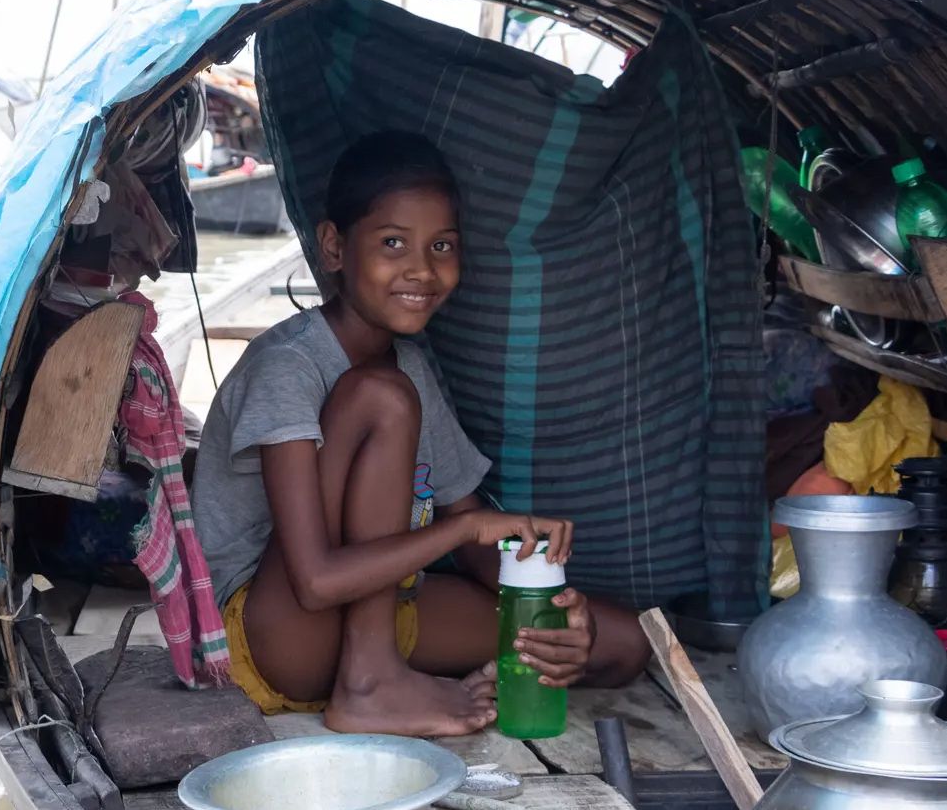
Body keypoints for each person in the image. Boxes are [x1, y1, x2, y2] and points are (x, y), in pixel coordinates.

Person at [192, 131, 651, 737]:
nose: (421, 269)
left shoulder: (410, 366)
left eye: (442, 246)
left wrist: (544, 605)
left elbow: (469, 518)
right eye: (392, 243)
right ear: (333, 247)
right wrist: (461, 529)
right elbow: (316, 579)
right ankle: (370, 684)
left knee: (620, 644)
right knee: (376, 396)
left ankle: (399, 673)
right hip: (275, 635)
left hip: (382, 609)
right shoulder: (289, 367)